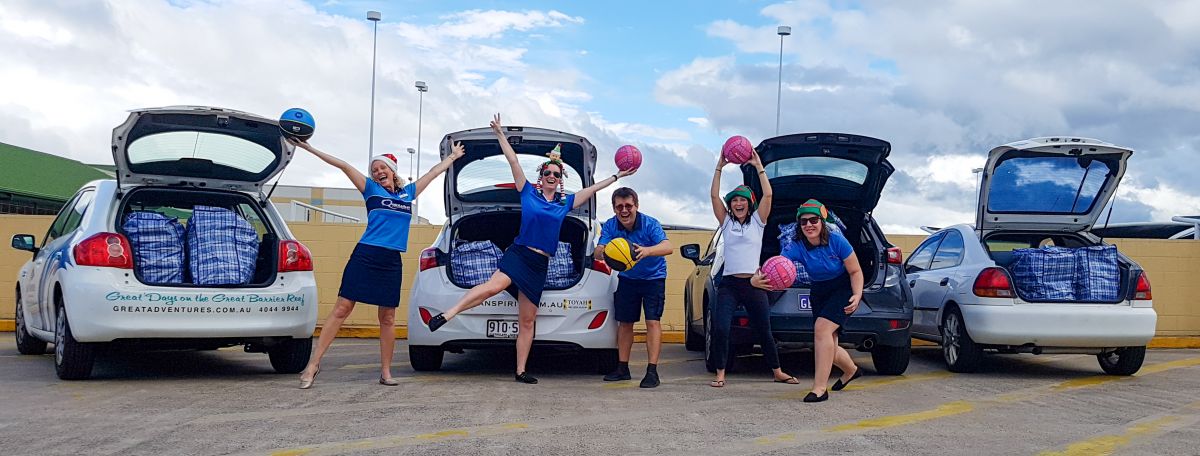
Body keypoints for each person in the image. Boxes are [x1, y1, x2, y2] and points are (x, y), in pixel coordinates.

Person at [426, 114, 635, 384]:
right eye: (547, 173)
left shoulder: (564, 203)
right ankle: (448, 314)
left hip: (539, 265)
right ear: (541, 176)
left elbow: (593, 188)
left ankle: (520, 371)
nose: (551, 176)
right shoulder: (528, 193)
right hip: (520, 254)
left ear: (560, 179)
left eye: (556, 174)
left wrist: (617, 176)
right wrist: (500, 135)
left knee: (527, 321)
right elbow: (513, 161)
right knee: (493, 286)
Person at [293, 138, 465, 389]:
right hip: (366, 255)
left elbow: (433, 173)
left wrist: (453, 157)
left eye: (382, 168)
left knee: (388, 317)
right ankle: (313, 365)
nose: (378, 172)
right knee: (342, 308)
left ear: (393, 172)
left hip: (391, 260)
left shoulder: (408, 193)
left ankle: (385, 372)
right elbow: (343, 165)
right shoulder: (371, 189)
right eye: (374, 170)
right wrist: (309, 148)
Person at [754, 199, 863, 402]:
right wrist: (756, 278)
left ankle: (820, 389)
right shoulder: (795, 246)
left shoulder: (837, 240)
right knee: (827, 344)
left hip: (842, 287)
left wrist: (857, 295)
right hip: (819, 290)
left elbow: (855, 271)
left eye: (813, 220)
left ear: (822, 221)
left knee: (821, 330)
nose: (809, 225)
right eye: (803, 221)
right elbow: (777, 266)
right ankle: (851, 370)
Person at [708, 150, 799, 388]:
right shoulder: (726, 222)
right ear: (731, 205)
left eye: (743, 200)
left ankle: (777, 371)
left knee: (764, 330)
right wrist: (719, 167)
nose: (738, 203)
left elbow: (768, 194)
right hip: (729, 284)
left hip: (754, 283)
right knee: (721, 328)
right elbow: (714, 196)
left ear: (749, 204)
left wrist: (759, 166)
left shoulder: (758, 222)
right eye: (734, 200)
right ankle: (720, 373)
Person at [595, 187, 672, 388]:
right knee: (625, 323)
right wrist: (604, 251)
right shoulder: (611, 225)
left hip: (654, 278)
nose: (624, 210)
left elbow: (668, 247)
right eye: (619, 206)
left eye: (628, 206)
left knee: (652, 322)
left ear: (636, 206)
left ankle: (652, 372)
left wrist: (647, 251)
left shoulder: (650, 224)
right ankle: (622, 368)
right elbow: (598, 251)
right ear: (614, 208)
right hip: (627, 279)